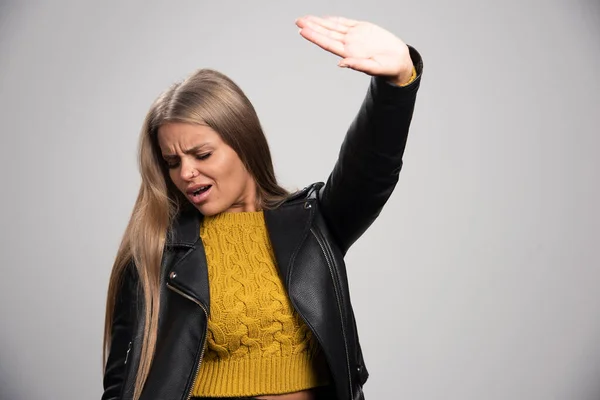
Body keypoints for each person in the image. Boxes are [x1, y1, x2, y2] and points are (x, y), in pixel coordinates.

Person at [102, 14, 423, 400]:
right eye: (173, 162)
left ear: (244, 143)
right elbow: (123, 381)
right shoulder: (158, 250)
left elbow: (370, 169)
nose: (186, 172)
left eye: (202, 154)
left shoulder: (312, 224)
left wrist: (396, 84)